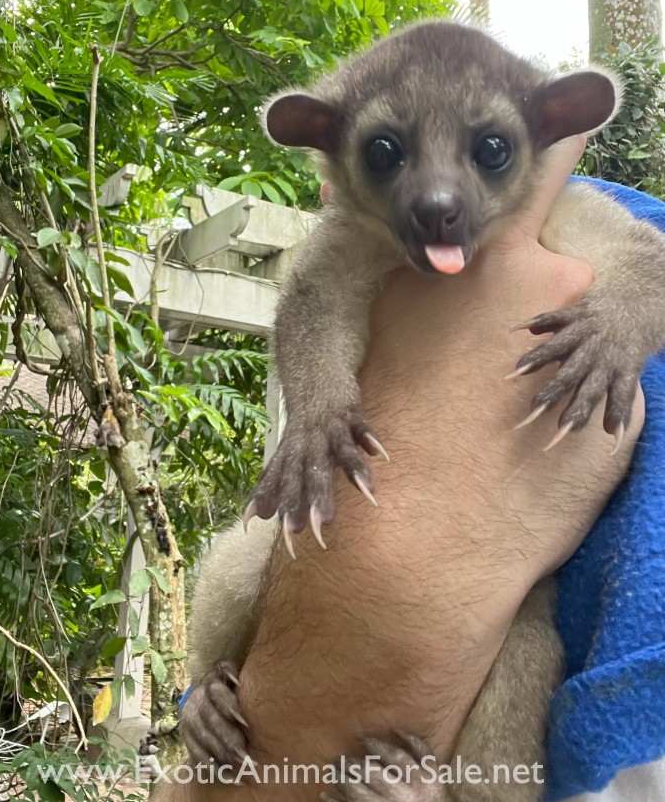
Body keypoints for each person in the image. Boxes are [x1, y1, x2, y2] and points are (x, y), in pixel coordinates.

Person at [156, 134, 665, 801]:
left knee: (526, 650)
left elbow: (646, 267)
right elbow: (314, 299)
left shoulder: (579, 213)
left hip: (494, 661)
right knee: (254, 543)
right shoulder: (369, 233)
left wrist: (613, 329)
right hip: (314, 608)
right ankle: (210, 689)